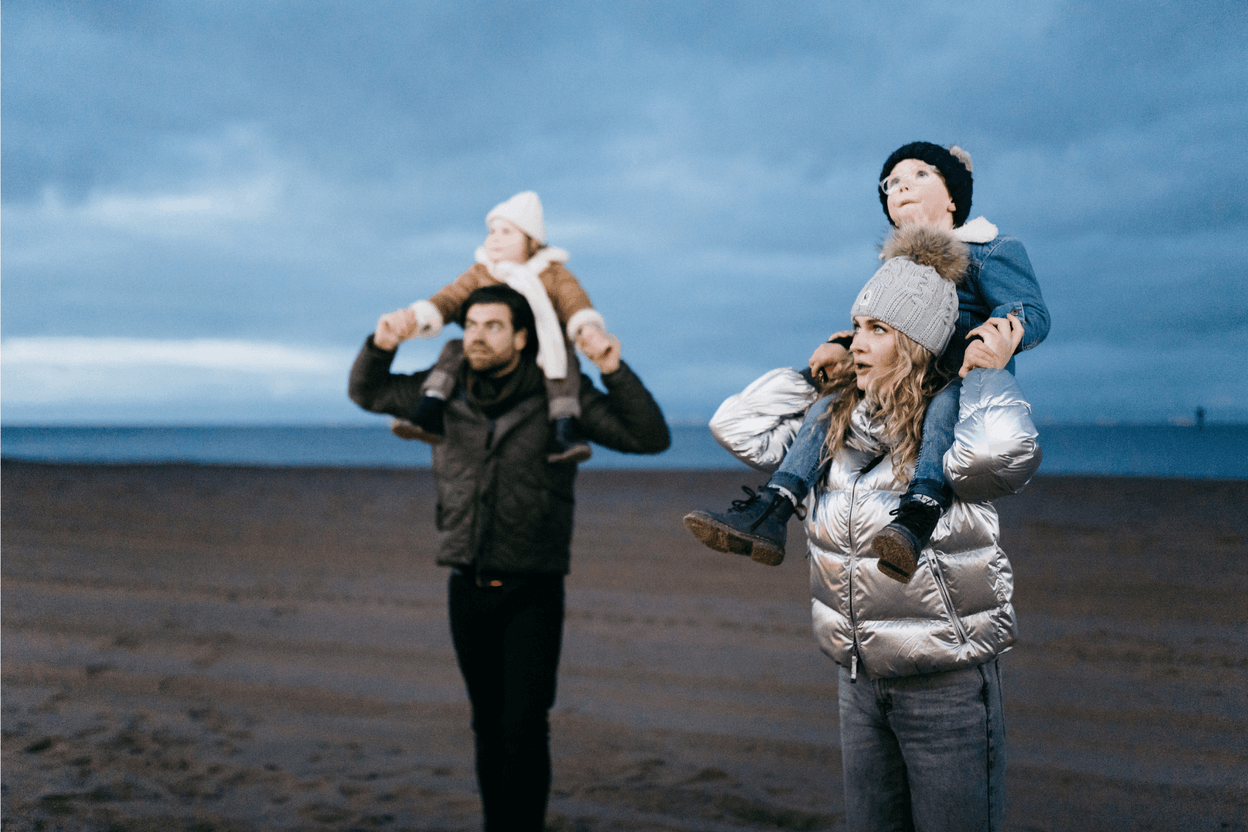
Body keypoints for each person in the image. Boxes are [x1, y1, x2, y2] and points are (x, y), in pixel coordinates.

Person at [693, 224, 1041, 830]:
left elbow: (1001, 457)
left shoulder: (957, 426)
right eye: (856, 326)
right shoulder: (836, 427)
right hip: (858, 681)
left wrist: (986, 374)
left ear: (914, 341)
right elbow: (736, 426)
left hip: (946, 685)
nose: (857, 341)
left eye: (877, 329)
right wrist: (811, 378)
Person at [348, 284, 670, 831]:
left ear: (522, 337)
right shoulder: (441, 391)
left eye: (493, 326)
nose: (477, 335)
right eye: (471, 325)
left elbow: (649, 436)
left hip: (532, 589)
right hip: (466, 583)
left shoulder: (559, 394)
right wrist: (381, 345)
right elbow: (367, 391)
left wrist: (613, 369)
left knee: (524, 728)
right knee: (487, 725)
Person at [684, 142, 1049, 578]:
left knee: (944, 406)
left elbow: (1029, 310)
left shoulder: (988, 250)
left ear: (953, 197)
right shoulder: (894, 265)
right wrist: (844, 345)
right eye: (891, 183)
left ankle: (918, 514)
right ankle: (772, 509)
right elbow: (879, 323)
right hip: (897, 385)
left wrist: (999, 337)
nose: (902, 186)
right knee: (830, 406)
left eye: (920, 175)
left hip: (957, 380)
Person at [382, 191, 617, 463]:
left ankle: (564, 427)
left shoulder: (553, 274)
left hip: (542, 349)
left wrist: (587, 329)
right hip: (497, 349)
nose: (495, 238)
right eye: (492, 231)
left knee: (564, 364)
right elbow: (451, 298)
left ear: (531, 241)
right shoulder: (481, 273)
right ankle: (431, 406)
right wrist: (419, 316)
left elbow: (574, 302)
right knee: (454, 349)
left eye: (507, 232)